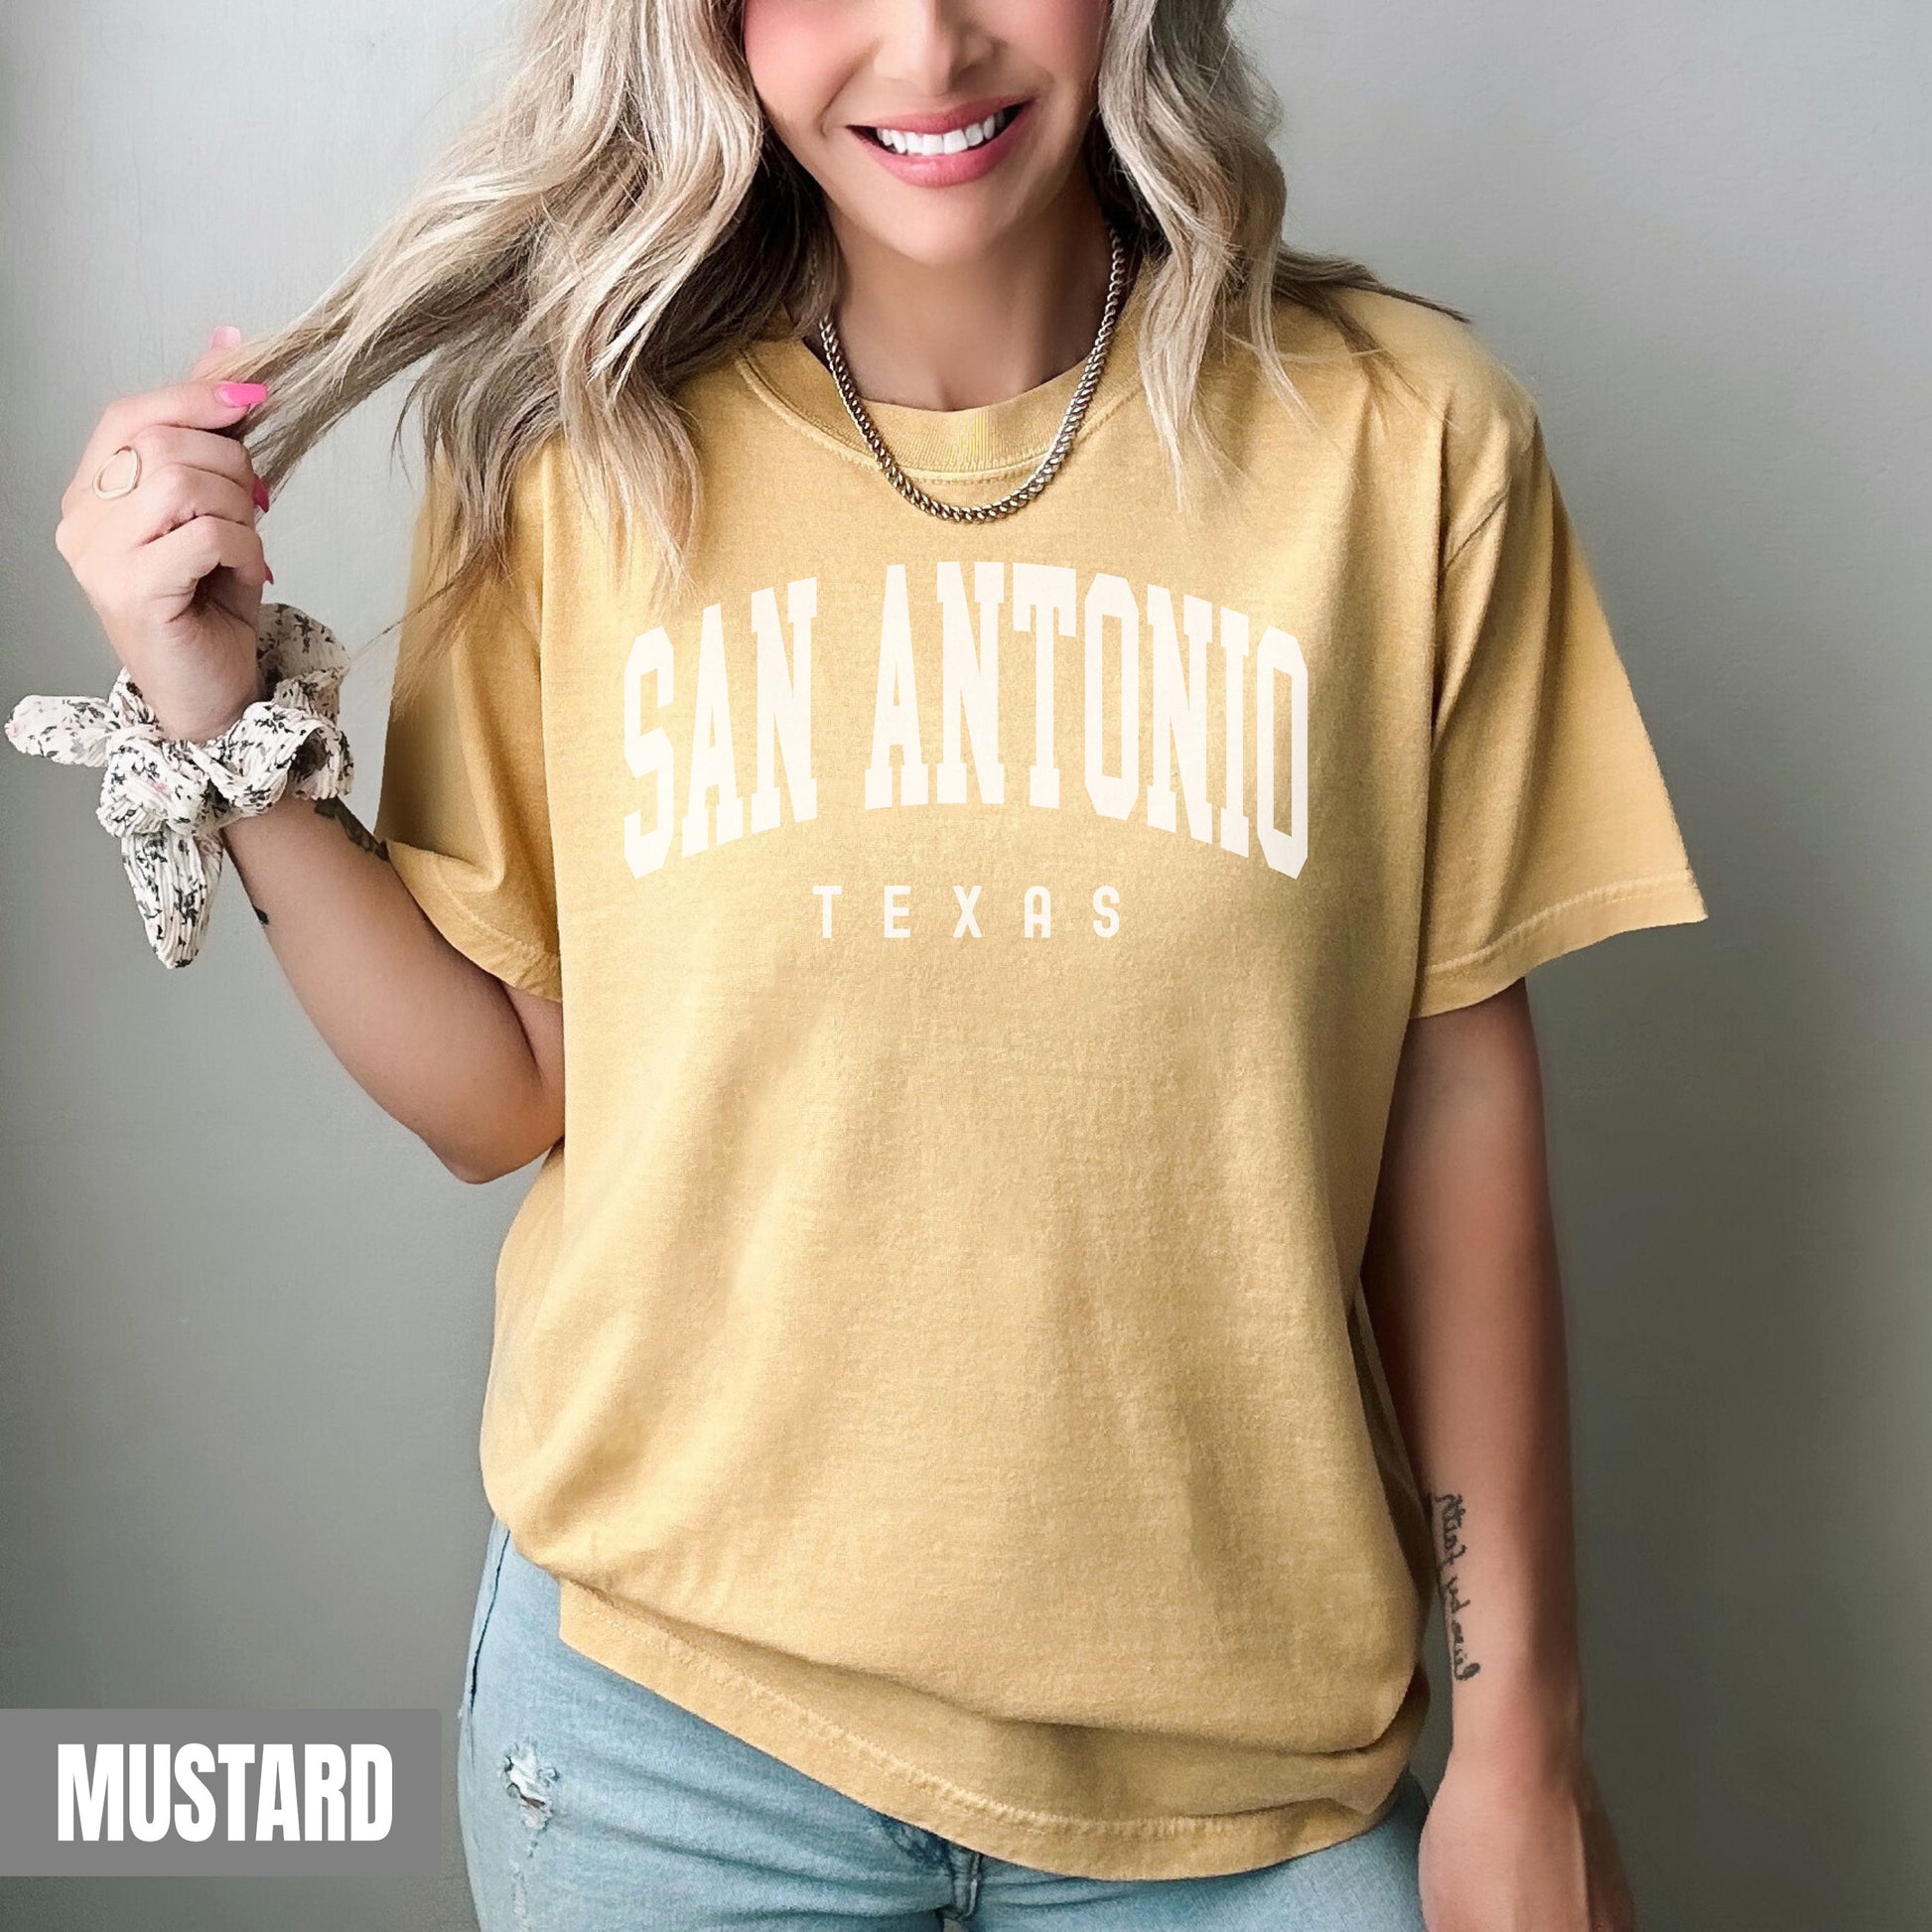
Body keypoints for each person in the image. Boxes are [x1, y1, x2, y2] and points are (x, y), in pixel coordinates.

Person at [37, 0, 1708, 1924]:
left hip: (1241, 1779)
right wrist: (219, 723)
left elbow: (1452, 1109)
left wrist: (1519, 1749)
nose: (926, 44)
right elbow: (509, 1090)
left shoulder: (1407, 448)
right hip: (667, 1750)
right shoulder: (574, 452)